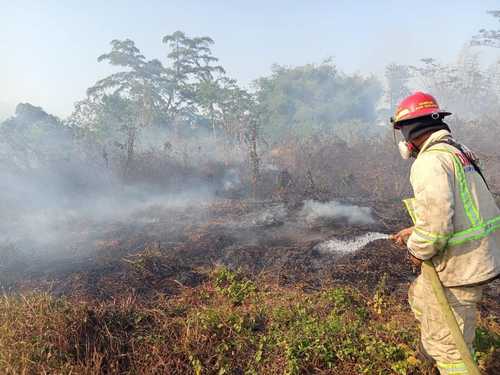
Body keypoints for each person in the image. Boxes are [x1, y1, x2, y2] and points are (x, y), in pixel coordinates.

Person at [390, 92, 500, 374]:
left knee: (450, 346)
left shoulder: (428, 162)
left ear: (410, 133)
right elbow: (463, 207)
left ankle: (450, 357)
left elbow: (437, 229)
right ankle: (432, 350)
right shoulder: (458, 152)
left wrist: (416, 248)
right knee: (419, 296)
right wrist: (416, 229)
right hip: (482, 254)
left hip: (461, 266)